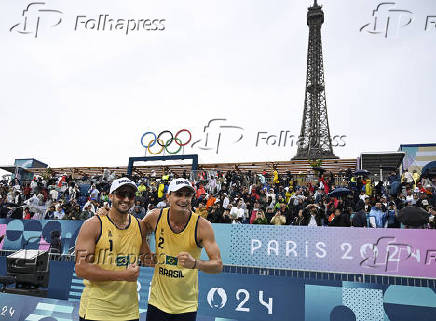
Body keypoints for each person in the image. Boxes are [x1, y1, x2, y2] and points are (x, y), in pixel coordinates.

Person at [142, 178, 222, 321]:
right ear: (168, 197)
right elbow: (136, 233)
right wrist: (146, 254)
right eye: (178, 194)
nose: (183, 199)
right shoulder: (155, 216)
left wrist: (195, 264)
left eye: (187, 195)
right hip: (157, 303)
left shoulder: (202, 226)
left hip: (186, 306)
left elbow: (217, 265)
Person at [75, 177, 152, 321]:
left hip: (129, 313)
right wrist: (123, 275)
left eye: (131, 195)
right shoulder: (93, 225)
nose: (127, 199)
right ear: (111, 196)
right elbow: (81, 269)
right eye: (122, 194)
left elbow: (148, 260)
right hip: (96, 312)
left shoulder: (139, 225)